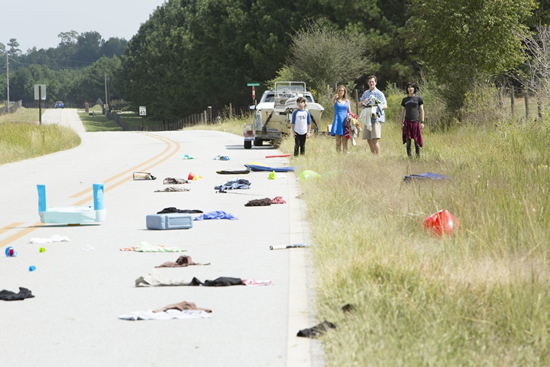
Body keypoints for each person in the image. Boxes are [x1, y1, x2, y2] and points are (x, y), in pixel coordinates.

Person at [360, 75, 387, 155]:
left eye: (372, 81)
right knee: (369, 139)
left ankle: (378, 157)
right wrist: (364, 101)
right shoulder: (366, 93)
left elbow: (385, 106)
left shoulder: (379, 93)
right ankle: (373, 155)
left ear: (375, 82)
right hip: (367, 119)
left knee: (374, 139)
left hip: (376, 118)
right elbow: (359, 105)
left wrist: (376, 106)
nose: (371, 83)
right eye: (369, 82)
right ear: (368, 83)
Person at [400, 82, 424, 157]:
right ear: (407, 89)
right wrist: (401, 124)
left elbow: (422, 110)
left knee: (417, 141)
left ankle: (418, 156)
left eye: (412, 87)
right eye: (409, 87)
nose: (410, 89)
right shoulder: (405, 99)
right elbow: (402, 112)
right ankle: (409, 157)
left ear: (414, 89)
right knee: (408, 141)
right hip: (407, 122)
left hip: (416, 122)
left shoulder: (419, 99)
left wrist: (422, 122)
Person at [330, 85, 352, 153]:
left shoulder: (347, 101)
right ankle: (338, 155)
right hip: (338, 121)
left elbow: (349, 112)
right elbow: (333, 101)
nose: (341, 92)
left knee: (345, 141)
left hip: (345, 121)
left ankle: (345, 154)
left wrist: (351, 118)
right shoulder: (335, 100)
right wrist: (335, 97)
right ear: (337, 91)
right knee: (338, 141)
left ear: (344, 92)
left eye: (342, 90)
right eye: (339, 90)